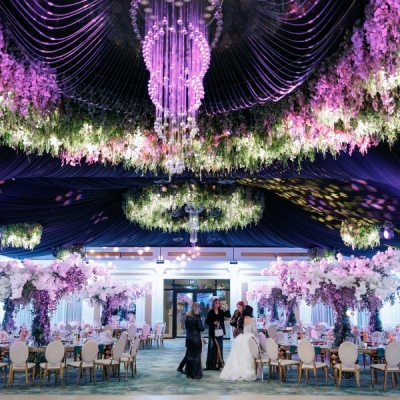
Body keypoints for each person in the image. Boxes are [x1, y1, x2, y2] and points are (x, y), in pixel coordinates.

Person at [219, 305, 258, 381]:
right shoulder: (253, 319)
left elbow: (239, 329)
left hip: (241, 337)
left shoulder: (241, 318)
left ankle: (237, 371)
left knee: (237, 355)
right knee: (249, 354)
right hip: (250, 337)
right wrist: (256, 337)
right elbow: (255, 331)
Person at [205, 297, 231, 370]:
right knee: (218, 346)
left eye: (219, 303)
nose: (218, 305)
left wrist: (225, 308)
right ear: (214, 304)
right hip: (213, 332)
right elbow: (206, 322)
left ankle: (217, 364)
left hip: (220, 331)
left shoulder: (221, 311)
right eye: (216, 303)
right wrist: (213, 323)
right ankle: (222, 362)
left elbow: (228, 315)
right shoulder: (210, 312)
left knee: (219, 347)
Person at [184, 302, 205, 379]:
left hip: (188, 338)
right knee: (197, 356)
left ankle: (189, 373)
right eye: (199, 308)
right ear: (197, 309)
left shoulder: (187, 317)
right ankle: (196, 373)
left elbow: (186, 327)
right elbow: (201, 328)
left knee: (190, 356)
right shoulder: (197, 317)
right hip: (196, 339)